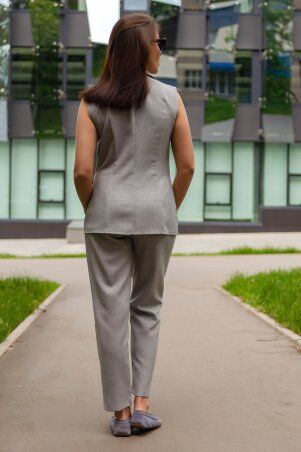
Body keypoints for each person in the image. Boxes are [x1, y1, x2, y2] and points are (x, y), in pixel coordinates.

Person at [73, 12, 194, 437]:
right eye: (159, 43)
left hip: (104, 213)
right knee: (147, 306)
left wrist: (95, 207)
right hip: (158, 214)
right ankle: (143, 403)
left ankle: (121, 414)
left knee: (109, 311)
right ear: (142, 48)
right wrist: (168, 205)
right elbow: (186, 166)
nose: (161, 50)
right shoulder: (171, 99)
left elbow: (83, 171)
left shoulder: (91, 101)